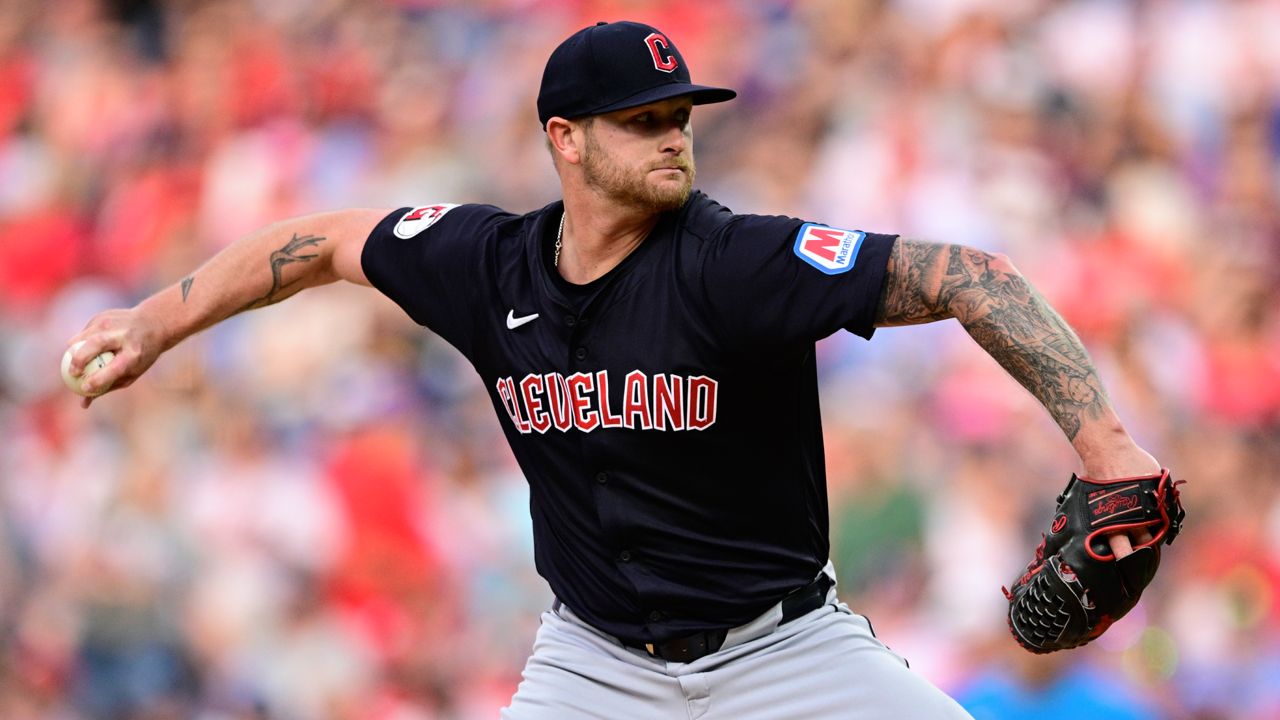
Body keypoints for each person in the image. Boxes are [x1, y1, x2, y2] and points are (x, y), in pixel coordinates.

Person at [66, 20, 1166, 719]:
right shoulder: (484, 263)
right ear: (566, 139)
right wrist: (159, 320)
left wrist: (1105, 444)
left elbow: (968, 275)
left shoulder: (734, 262)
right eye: (642, 122)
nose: (674, 138)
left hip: (784, 652)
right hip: (592, 666)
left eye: (679, 117)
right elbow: (322, 242)